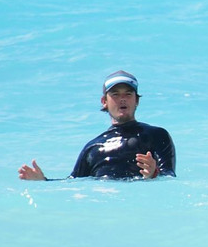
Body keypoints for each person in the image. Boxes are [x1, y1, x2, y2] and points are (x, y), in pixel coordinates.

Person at [18, 70, 176, 181]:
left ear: (137, 100)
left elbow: (169, 177)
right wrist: (43, 181)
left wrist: (154, 174)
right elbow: (74, 184)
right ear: (104, 102)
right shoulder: (93, 148)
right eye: (115, 94)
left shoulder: (156, 135)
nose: (122, 99)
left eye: (128, 94)